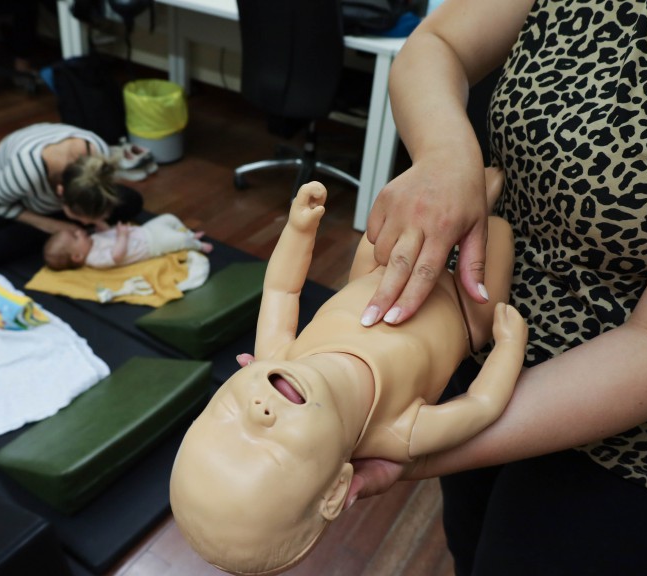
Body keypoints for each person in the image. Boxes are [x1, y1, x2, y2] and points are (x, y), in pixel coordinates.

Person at [347, 1, 647, 575]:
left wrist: (419, 444)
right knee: (472, 548)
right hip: (491, 340)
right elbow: (437, 41)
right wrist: (447, 155)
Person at [169, 177, 527, 576]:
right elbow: (482, 405)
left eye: (226, 412)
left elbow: (281, 290)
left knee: (394, 221)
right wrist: (509, 346)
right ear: (338, 487)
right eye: (273, 451)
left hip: (377, 275)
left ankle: (472, 188)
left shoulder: (278, 354)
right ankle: (487, 200)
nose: (258, 411)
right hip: (463, 306)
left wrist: (298, 229)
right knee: (498, 234)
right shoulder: (400, 433)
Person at [0, 122, 144, 267]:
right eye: (82, 219)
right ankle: (52, 230)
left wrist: (96, 220)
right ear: (60, 193)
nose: (86, 224)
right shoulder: (25, 171)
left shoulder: (99, 154)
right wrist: (51, 225)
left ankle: (65, 234)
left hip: (52, 192)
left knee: (132, 201)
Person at [43, 213, 213, 271]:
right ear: (78, 256)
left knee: (169, 218)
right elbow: (116, 255)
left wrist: (98, 222)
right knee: (179, 240)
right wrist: (122, 236)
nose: (80, 232)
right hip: (152, 245)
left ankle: (190, 233)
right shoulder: (95, 259)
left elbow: (106, 232)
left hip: (145, 231)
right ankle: (198, 246)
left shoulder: (92, 241)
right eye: (75, 237)